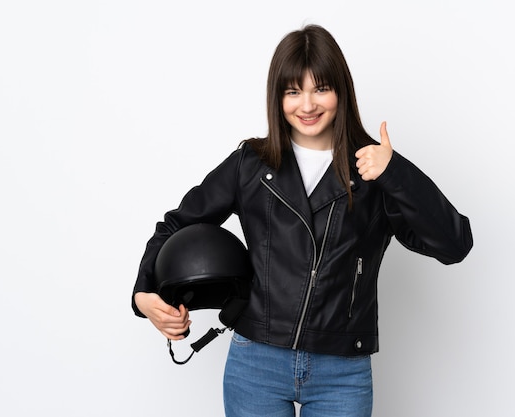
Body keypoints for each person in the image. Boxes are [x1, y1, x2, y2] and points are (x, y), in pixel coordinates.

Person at [132, 24, 473, 417]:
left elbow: (455, 244)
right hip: (255, 362)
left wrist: (396, 171)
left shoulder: (374, 170)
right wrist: (144, 293)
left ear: (341, 91)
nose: (307, 105)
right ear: (277, 97)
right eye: (293, 91)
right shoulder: (250, 165)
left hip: (342, 371)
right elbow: (176, 224)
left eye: (320, 89)